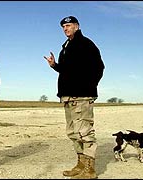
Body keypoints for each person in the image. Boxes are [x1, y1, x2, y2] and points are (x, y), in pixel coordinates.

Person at [44, 16, 104, 179]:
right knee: (73, 132)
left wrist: (88, 87)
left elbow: (99, 67)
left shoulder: (86, 44)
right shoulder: (66, 46)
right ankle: (81, 165)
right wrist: (54, 65)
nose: (65, 28)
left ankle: (90, 170)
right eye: (63, 26)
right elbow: (67, 70)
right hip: (68, 96)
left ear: (77, 26)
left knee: (85, 132)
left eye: (68, 25)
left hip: (82, 96)